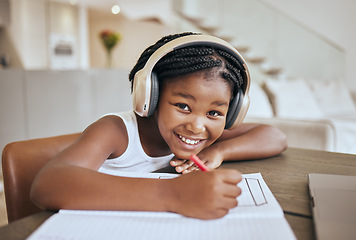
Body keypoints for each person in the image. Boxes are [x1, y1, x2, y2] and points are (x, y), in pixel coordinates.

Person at [30, 32, 287, 220]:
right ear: (150, 97)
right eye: (183, 106)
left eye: (214, 112)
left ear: (231, 114)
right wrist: (174, 194)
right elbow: (47, 184)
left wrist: (218, 152)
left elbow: (274, 137)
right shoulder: (116, 132)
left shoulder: (200, 138)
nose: (197, 126)